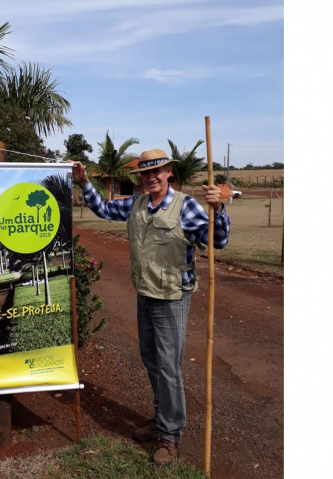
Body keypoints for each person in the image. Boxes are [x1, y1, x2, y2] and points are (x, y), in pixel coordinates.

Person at [71, 148, 230, 466]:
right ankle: (162, 421)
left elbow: (218, 239)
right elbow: (103, 208)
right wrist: (85, 182)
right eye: (145, 173)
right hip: (145, 294)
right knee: (152, 361)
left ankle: (170, 437)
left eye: (157, 171)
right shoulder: (137, 204)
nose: (151, 177)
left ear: (169, 172)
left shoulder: (185, 207)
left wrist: (219, 208)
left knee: (169, 368)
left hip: (172, 298)